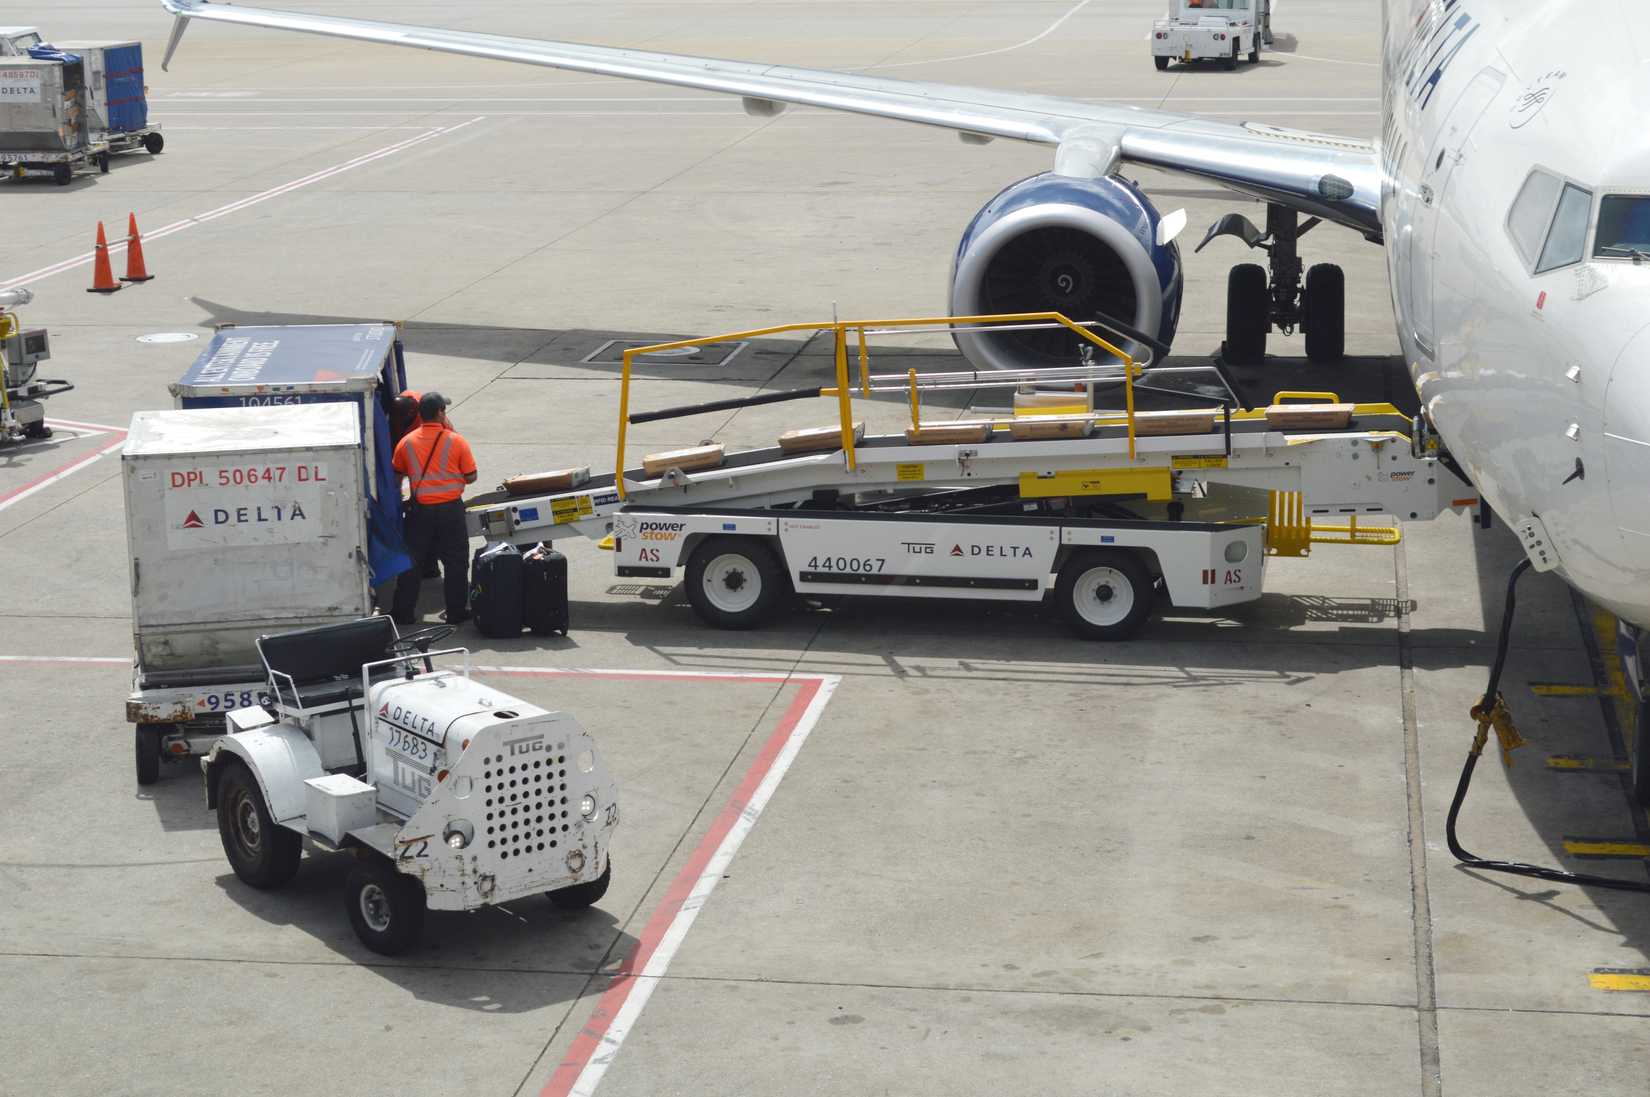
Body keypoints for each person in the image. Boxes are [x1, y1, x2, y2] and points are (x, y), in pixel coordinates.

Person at [391, 392, 477, 625]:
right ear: (440, 412)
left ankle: (403, 612)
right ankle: (456, 612)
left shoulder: (406, 442)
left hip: (419, 512)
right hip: (450, 510)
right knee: (456, 562)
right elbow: (471, 476)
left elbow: (398, 476)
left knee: (412, 563)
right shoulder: (456, 441)